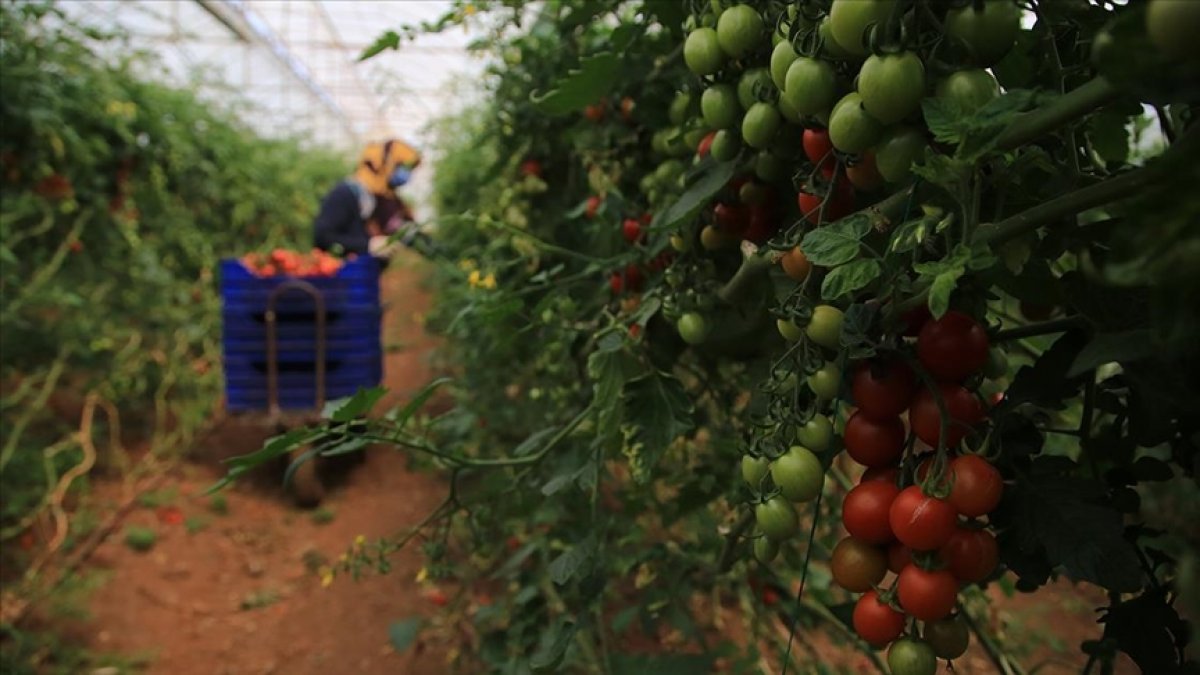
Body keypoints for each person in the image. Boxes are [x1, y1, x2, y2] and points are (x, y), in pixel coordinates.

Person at [312, 139, 420, 261]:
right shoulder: (345, 194)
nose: (406, 174)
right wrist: (368, 245)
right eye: (402, 166)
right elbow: (323, 236)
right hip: (343, 274)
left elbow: (402, 227)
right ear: (384, 163)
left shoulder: (383, 198)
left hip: (367, 274)